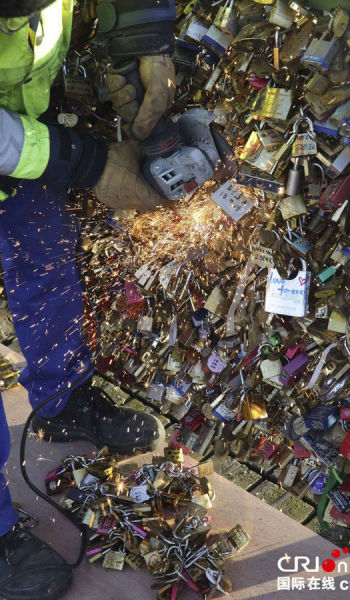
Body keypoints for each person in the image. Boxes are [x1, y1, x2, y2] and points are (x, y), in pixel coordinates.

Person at [0, 0, 176, 597]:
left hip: (25, 124)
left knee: (44, 258)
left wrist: (145, 41)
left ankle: (63, 398)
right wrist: (89, 163)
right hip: (14, 136)